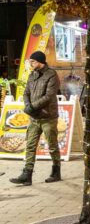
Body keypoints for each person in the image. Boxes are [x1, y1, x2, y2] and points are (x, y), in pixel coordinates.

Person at [10, 51, 61, 186]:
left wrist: (32, 106)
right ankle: (27, 174)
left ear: (40, 62)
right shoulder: (32, 75)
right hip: (34, 118)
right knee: (30, 145)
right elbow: (26, 92)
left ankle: (56, 171)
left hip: (47, 116)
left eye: (33, 61)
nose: (30, 64)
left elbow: (49, 96)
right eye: (30, 61)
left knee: (52, 145)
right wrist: (27, 105)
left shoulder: (51, 74)